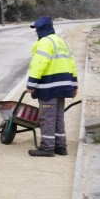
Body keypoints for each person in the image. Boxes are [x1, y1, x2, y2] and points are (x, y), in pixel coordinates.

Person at [26, 16, 79, 157]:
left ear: (42, 29)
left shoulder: (44, 42)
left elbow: (39, 64)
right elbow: (72, 64)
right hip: (63, 85)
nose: (35, 32)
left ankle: (47, 148)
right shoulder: (62, 42)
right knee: (58, 117)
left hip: (49, 86)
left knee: (47, 117)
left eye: (37, 29)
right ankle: (60, 146)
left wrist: (31, 84)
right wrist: (74, 85)